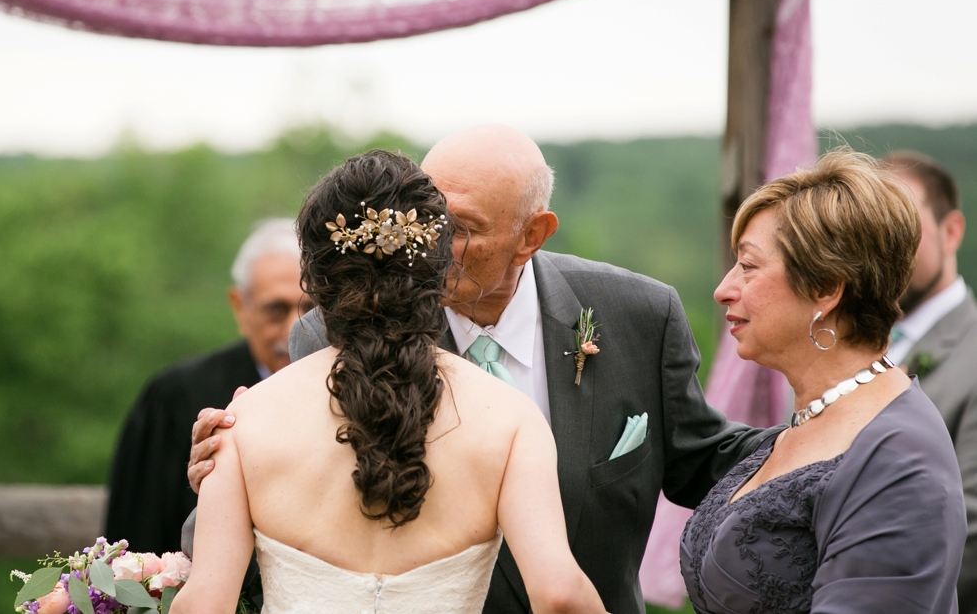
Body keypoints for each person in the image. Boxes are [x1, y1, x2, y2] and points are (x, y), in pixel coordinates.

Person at [187, 125, 774, 614]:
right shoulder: (323, 339)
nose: (429, 248)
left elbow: (705, 461)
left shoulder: (638, 314)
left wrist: (840, 421)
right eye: (424, 223)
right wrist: (219, 481)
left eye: (457, 230)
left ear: (532, 235)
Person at [170, 150, 608, 614]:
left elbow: (202, 605)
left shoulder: (244, 421)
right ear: (440, 269)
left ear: (316, 279)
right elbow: (559, 595)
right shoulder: (511, 418)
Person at [680, 149, 966, 613]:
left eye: (749, 266)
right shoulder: (812, 417)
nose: (723, 288)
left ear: (827, 288)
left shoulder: (898, 456)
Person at [105, 218, 305, 554]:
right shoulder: (174, 398)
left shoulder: (352, 392)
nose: (294, 331)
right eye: (276, 310)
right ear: (241, 308)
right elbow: (137, 534)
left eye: (312, 310)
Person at [883, 151, 977, 613]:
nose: (883, 246)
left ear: (951, 230)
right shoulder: (828, 350)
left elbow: (971, 536)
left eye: (901, 223)